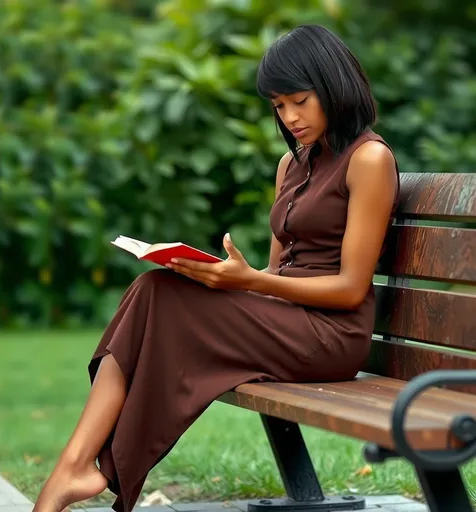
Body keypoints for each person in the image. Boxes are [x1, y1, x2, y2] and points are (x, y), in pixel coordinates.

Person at [33, 24, 399, 512]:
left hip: (332, 337)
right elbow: (277, 274)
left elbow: (353, 289)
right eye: (277, 106)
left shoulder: (370, 159)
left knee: (160, 297)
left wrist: (246, 282)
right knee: (154, 286)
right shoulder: (292, 166)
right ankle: (77, 465)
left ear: (334, 87)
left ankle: (80, 468)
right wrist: (216, 279)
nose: (289, 117)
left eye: (299, 101)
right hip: (288, 321)